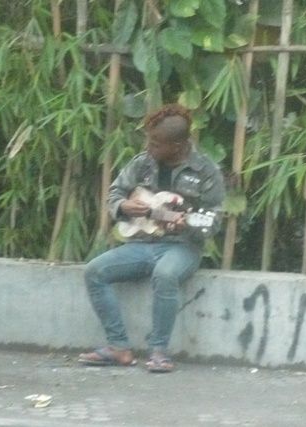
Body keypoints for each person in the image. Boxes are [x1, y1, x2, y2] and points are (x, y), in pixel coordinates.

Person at [78, 104, 225, 373]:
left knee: (165, 274)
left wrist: (186, 225)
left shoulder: (206, 170)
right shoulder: (142, 163)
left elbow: (213, 219)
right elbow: (115, 193)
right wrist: (122, 207)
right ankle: (118, 347)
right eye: (149, 140)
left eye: (156, 143)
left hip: (182, 248)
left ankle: (159, 352)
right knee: (94, 271)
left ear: (178, 145)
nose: (149, 147)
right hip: (140, 244)